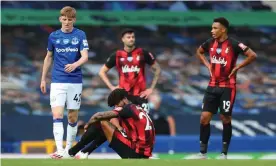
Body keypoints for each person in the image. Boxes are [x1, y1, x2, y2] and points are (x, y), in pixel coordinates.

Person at [69, 28, 161, 158]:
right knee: (112, 125)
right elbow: (102, 72)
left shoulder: (143, 53)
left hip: (140, 97)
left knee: (143, 125)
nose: (131, 39)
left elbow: (157, 69)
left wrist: (151, 88)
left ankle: (144, 152)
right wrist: (112, 87)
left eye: (133, 37)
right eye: (128, 37)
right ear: (123, 39)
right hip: (123, 98)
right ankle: (85, 151)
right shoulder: (117, 55)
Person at [196, 17, 257, 159]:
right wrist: (206, 64)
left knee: (225, 118)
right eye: (211, 28)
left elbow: (252, 55)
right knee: (204, 118)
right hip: (211, 86)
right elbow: (199, 51)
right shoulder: (210, 43)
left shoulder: (234, 44)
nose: (212, 31)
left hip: (228, 87)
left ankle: (223, 153)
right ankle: (202, 153)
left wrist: (237, 67)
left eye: (215, 28)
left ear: (223, 29)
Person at [40, 6, 89, 159]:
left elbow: (85, 56)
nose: (67, 22)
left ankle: (69, 149)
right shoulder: (53, 36)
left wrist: (75, 65)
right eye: (65, 19)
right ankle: (59, 150)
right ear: (60, 19)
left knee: (73, 116)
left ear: (74, 20)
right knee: (57, 114)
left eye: (70, 20)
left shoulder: (80, 35)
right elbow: (48, 57)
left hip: (75, 81)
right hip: (57, 81)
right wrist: (43, 78)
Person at [68, 88, 155, 159]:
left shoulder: (126, 108)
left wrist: (87, 125)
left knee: (103, 122)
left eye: (117, 104)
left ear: (124, 99)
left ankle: (75, 151)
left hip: (135, 153)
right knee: (107, 125)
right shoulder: (137, 108)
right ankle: (83, 152)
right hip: (145, 152)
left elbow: (98, 116)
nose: (116, 107)